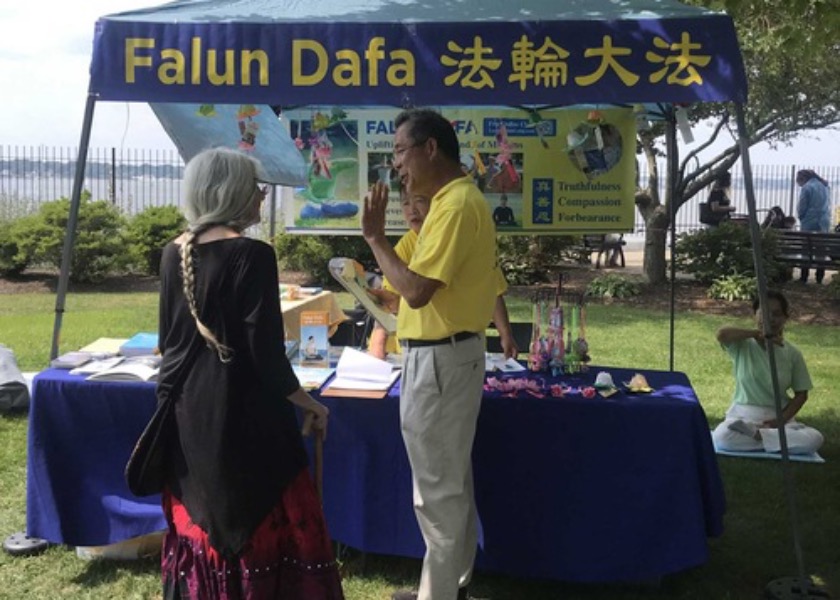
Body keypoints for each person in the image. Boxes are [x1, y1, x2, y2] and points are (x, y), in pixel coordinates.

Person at [155, 147, 344, 599]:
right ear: (233, 191)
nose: (262, 196)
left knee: (206, 522)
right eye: (257, 187)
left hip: (190, 416)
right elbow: (266, 355)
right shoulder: (252, 254)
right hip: (246, 420)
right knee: (257, 521)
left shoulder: (172, 252)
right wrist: (312, 404)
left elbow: (169, 345)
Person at [361, 108, 500, 600]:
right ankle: (452, 586)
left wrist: (376, 237)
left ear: (431, 148)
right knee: (450, 484)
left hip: (440, 361)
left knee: (437, 494)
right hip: (443, 357)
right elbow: (406, 281)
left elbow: (416, 291)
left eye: (400, 150)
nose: (396, 163)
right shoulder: (447, 202)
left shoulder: (458, 204)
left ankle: (438, 595)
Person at [368, 187, 518, 361]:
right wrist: (377, 347)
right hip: (419, 351)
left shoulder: (462, 233)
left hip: (462, 345)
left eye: (420, 201)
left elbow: (494, 290)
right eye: (406, 203)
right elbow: (391, 302)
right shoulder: (404, 247)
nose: (412, 210)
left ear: (437, 205)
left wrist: (506, 334)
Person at [711, 290, 823, 455]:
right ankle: (774, 441)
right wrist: (757, 334)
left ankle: (759, 437)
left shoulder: (792, 353)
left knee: (814, 439)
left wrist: (780, 421)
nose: (770, 319)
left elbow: (801, 394)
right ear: (755, 315)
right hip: (744, 416)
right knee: (723, 436)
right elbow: (722, 334)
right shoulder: (743, 345)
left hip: (779, 419)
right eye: (764, 313)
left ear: (786, 318)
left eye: (777, 314)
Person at [795, 169, 831, 283]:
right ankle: (819, 277)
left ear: (802, 179)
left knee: (806, 249)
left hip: (809, 222)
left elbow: (802, 207)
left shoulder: (807, 188)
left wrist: (802, 218)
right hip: (824, 222)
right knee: (821, 250)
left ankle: (804, 276)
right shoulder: (824, 186)